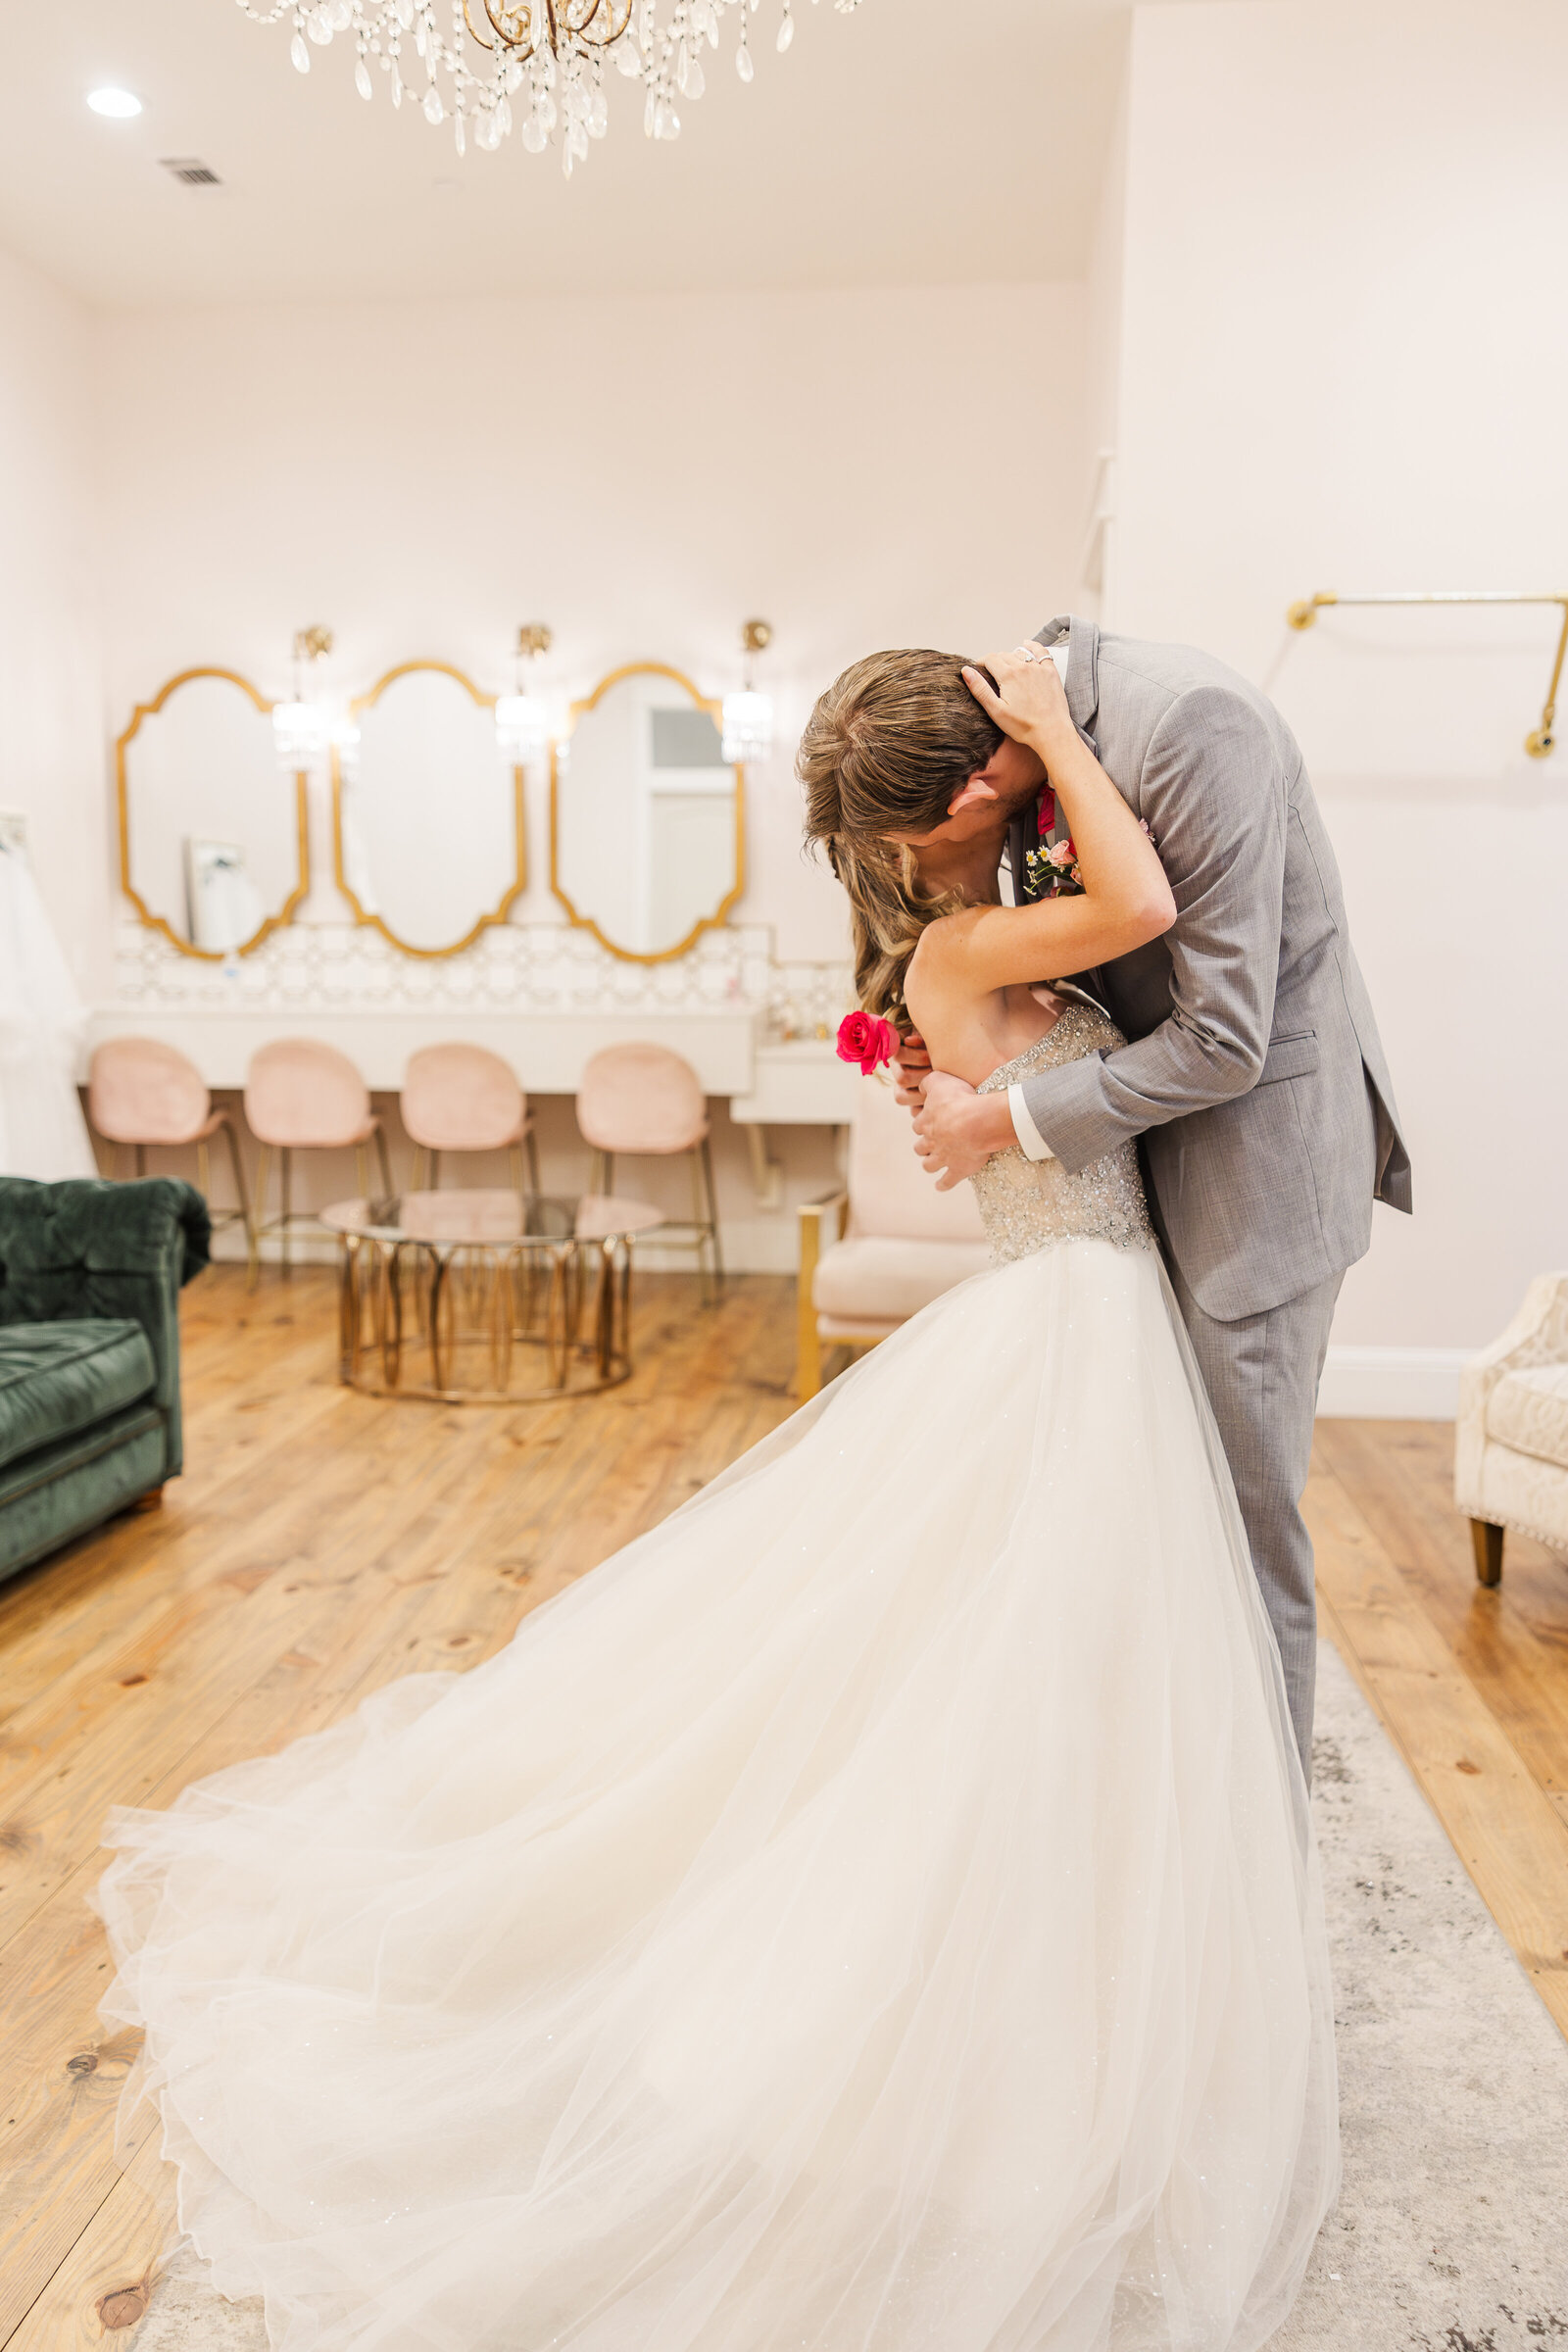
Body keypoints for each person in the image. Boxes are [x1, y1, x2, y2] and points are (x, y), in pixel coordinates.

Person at [98, 651, 1337, 2352]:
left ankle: (1126, 1935)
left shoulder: (963, 935)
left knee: (1042, 1646)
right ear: (949, 817)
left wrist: (1004, 1025)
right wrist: (1052, 729)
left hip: (1086, 1307)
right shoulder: (976, 941)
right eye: (992, 787)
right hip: (1076, 1323)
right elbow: (1141, 898)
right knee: (1033, 1643)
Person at [801, 618, 1410, 1770]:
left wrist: (1002, 1113)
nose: (915, 873)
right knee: (1136, 1536)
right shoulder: (1017, 746)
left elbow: (1223, 1041)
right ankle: (1138, 1795)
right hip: (1117, 1190)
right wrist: (967, 1048)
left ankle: (1258, 1849)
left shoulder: (1186, 724)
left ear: (978, 786)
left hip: (1248, 1173)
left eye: (913, 845)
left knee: (1237, 1539)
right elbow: (1096, 972)